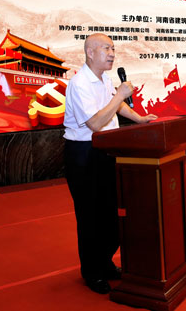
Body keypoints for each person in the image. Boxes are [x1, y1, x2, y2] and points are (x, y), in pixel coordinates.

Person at [63, 33, 157, 294]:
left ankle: (104, 262)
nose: (112, 53)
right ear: (90, 52)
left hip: (107, 149)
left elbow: (116, 106)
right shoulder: (79, 83)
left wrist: (139, 119)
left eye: (113, 48)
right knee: (90, 216)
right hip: (83, 154)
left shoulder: (104, 78)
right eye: (107, 48)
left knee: (112, 212)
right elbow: (95, 123)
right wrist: (120, 96)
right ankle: (92, 272)